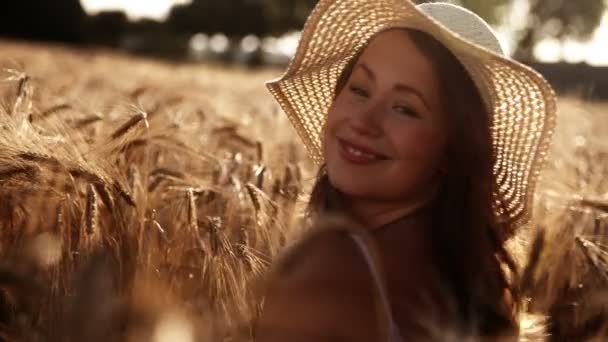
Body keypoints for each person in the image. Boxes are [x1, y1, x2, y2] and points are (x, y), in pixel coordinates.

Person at [255, 1, 557, 341]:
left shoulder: (326, 273)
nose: (363, 121)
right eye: (360, 89)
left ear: (453, 148)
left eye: (405, 108)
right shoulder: (483, 281)